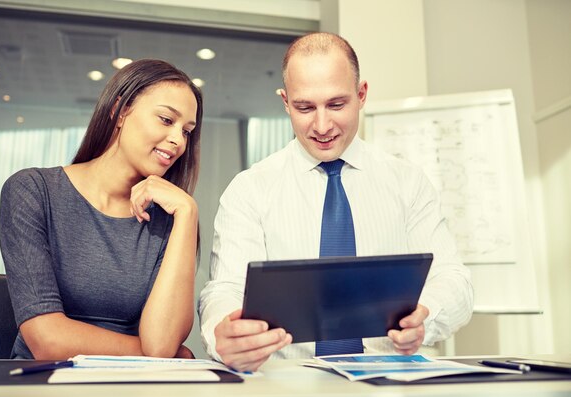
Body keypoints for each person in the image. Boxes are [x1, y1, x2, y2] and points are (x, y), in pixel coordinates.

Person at [199, 32, 473, 372]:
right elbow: (225, 289)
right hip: (286, 384)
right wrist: (222, 332)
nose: (322, 125)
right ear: (285, 102)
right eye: (304, 107)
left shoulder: (407, 182)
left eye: (336, 104)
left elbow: (454, 279)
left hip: (389, 380)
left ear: (361, 95)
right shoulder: (249, 189)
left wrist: (426, 315)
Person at [0, 59, 202, 360]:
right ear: (120, 112)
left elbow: (162, 342)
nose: (177, 140)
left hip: (132, 387)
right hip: (45, 382)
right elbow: (47, 341)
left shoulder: (170, 217)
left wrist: (187, 212)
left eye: (187, 131)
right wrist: (156, 356)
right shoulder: (33, 190)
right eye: (165, 120)